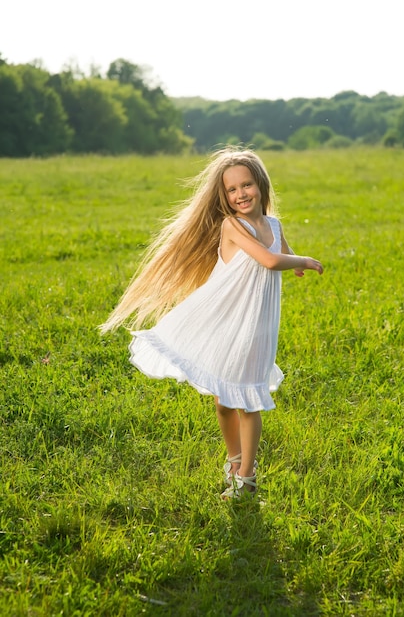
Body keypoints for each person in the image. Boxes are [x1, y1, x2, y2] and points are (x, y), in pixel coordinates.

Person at [100, 146, 323, 499]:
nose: (240, 194)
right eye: (232, 190)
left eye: (246, 185)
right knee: (223, 401)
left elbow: (279, 247)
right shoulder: (232, 225)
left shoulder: (274, 224)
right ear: (224, 197)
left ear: (261, 184)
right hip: (224, 321)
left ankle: (246, 478)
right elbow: (267, 259)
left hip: (256, 325)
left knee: (249, 398)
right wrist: (305, 260)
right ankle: (234, 460)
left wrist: (293, 261)